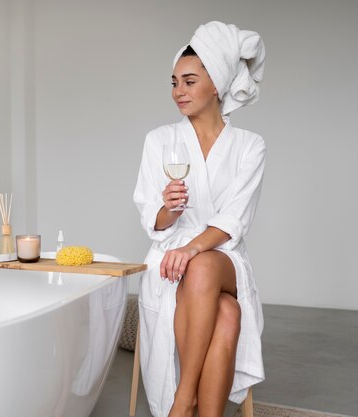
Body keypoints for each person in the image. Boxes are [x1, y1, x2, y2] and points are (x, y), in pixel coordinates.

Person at [133, 21, 267, 417]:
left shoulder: (249, 147)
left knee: (204, 264)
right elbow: (150, 215)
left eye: (189, 81)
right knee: (227, 314)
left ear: (217, 84)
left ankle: (183, 397)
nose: (179, 92)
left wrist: (192, 248)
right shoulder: (159, 140)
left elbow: (234, 219)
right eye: (174, 82)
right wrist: (167, 209)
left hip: (223, 257)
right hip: (171, 255)